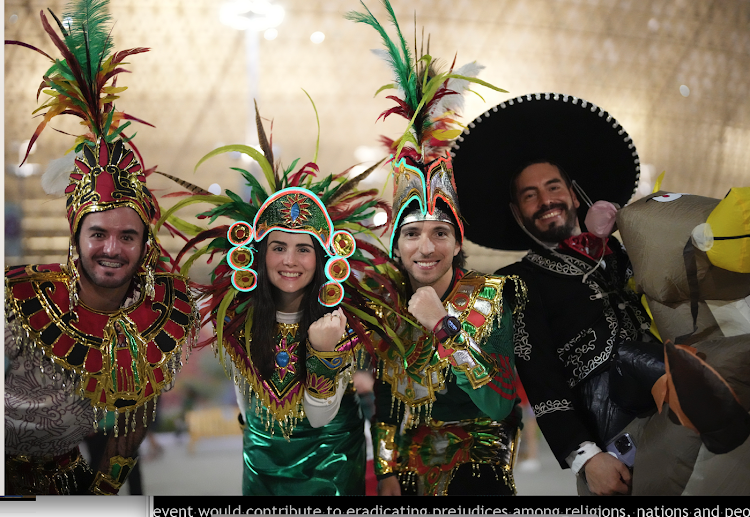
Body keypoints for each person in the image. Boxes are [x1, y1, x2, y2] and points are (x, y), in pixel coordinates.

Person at [450, 93, 746, 496]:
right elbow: (540, 378)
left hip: (683, 390)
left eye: (552, 187)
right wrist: (585, 457)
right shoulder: (517, 281)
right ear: (518, 213)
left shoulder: (625, 251)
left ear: (573, 195)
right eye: (529, 195)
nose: (544, 200)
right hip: (612, 428)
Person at [5, 2, 198, 495]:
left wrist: (100, 497)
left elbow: (125, 440)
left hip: (72, 487)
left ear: (144, 243)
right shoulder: (15, 307)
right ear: (76, 238)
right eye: (98, 234)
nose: (112, 248)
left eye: (127, 236)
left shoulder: (159, 319)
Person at [347, 0, 526, 496]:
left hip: (480, 473)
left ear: (456, 242)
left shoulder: (489, 296)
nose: (426, 246)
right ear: (396, 245)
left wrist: (443, 326)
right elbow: (383, 404)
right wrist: (383, 472)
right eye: (411, 233)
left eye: (440, 233)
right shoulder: (385, 307)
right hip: (405, 477)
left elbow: (499, 404)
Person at [169, 103, 390, 495]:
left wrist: (323, 351)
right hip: (261, 464)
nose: (290, 260)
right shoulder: (237, 315)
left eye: (304, 249)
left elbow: (320, 419)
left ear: (322, 259)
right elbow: (243, 397)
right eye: (279, 247)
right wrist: (258, 434)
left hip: (331, 464)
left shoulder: (342, 319)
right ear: (259, 253)